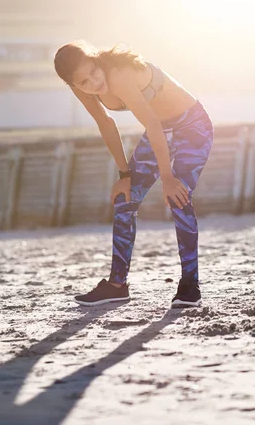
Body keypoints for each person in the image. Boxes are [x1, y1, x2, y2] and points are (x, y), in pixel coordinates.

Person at [54, 39, 214, 308]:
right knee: (124, 199)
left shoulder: (118, 74)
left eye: (94, 72)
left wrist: (167, 178)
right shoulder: (81, 87)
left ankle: (190, 285)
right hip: (160, 130)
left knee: (178, 197)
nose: (93, 83)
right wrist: (124, 174)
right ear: (73, 84)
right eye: (83, 82)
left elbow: (151, 122)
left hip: (192, 126)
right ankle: (117, 285)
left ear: (96, 59)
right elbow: (105, 123)